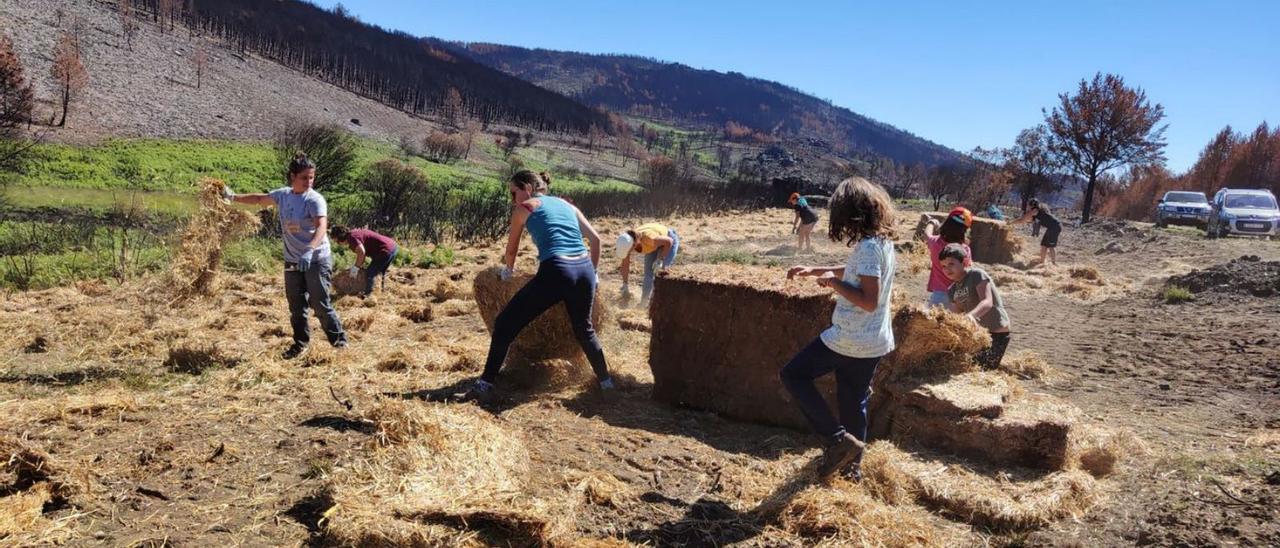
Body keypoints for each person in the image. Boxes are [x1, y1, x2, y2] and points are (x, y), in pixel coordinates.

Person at [457, 170, 614, 402]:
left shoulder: (525, 207)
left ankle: (484, 386)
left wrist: (507, 272)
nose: (513, 200)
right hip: (584, 270)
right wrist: (595, 273)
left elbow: (512, 250)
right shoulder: (566, 204)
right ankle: (607, 386)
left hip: (558, 269)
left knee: (504, 324)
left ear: (528, 188)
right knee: (584, 329)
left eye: (514, 192)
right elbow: (596, 240)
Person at [781, 177, 897, 479]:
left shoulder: (870, 247)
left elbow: (868, 300)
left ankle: (836, 440)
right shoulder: (882, 243)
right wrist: (817, 271)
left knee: (793, 375)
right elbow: (859, 271)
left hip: (848, 337)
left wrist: (832, 283)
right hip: (873, 341)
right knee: (852, 401)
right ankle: (851, 470)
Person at [224, 153, 347, 359]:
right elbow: (259, 199)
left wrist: (309, 249)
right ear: (292, 176)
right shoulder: (283, 195)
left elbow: (321, 226)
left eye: (311, 177)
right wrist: (233, 197)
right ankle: (300, 345)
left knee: (319, 303)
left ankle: (339, 342)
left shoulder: (315, 200)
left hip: (315, 259)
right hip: (292, 260)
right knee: (296, 306)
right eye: (304, 177)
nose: (308, 182)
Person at [939, 244, 1011, 369]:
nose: (947, 269)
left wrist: (970, 316)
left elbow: (987, 302)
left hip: (996, 331)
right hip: (977, 335)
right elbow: (956, 315)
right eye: (943, 266)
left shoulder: (977, 275)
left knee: (982, 370)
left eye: (951, 264)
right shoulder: (952, 290)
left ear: (964, 262)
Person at [616, 222, 680, 306]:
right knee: (648, 274)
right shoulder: (627, 243)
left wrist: (660, 260)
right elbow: (625, 264)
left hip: (668, 240)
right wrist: (625, 284)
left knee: (662, 271)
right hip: (653, 244)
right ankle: (644, 303)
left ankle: (662, 304)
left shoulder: (649, 239)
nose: (628, 253)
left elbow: (669, 242)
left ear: (634, 245)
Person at [921, 207, 971, 308]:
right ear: (965, 231)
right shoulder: (965, 250)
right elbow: (968, 273)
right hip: (959, 298)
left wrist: (932, 222)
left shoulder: (935, 243)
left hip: (938, 297)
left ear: (946, 223)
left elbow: (927, 235)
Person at [331, 225, 399, 298]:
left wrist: (355, 268)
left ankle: (368, 296)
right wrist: (358, 265)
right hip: (392, 246)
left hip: (385, 250)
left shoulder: (352, 238)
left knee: (370, 273)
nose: (338, 243)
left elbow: (361, 253)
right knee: (380, 272)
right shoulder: (354, 233)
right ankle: (381, 292)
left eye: (337, 241)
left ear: (340, 237)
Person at [1010, 198, 1062, 265]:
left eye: (1028, 205)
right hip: (1052, 227)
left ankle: (1054, 264)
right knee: (1044, 245)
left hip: (1055, 227)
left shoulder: (1034, 211)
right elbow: (1027, 220)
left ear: (1032, 205)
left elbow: (1022, 220)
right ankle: (1042, 262)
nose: (1027, 206)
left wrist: (1011, 223)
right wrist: (1015, 222)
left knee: (1051, 246)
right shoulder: (1035, 211)